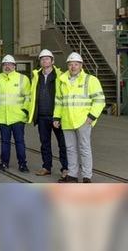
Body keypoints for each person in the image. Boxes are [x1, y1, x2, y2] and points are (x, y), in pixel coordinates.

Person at [54, 52, 106, 183]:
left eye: (76, 64)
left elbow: (100, 100)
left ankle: (87, 176)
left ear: (81, 65)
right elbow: (59, 101)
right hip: (67, 120)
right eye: (70, 64)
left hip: (83, 120)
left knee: (84, 148)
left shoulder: (90, 80)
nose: (73, 67)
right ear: (67, 66)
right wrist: (56, 117)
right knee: (70, 149)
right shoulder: (62, 80)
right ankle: (72, 175)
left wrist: (92, 116)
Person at [28, 49, 68, 179]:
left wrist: (61, 115)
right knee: (44, 143)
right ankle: (46, 167)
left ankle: (65, 168)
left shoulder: (60, 76)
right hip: (42, 116)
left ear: (52, 61)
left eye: (47, 58)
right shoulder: (36, 76)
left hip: (56, 116)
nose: (44, 61)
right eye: (42, 59)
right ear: (39, 61)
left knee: (62, 144)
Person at [0, 55, 31, 172]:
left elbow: (28, 97)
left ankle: (22, 164)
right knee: (5, 142)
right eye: (5, 64)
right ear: (2, 66)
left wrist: (24, 110)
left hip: (18, 117)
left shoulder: (22, 78)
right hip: (2, 117)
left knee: (19, 142)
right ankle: (4, 163)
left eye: (10, 64)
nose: (7, 66)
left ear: (14, 66)